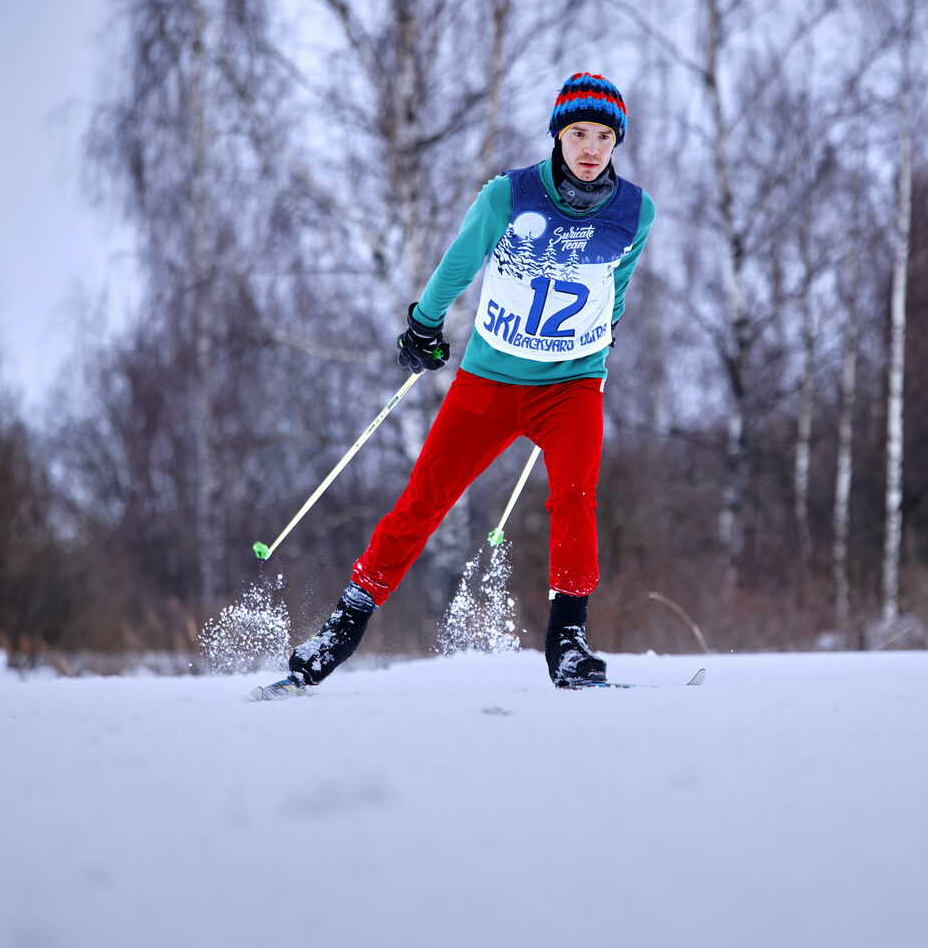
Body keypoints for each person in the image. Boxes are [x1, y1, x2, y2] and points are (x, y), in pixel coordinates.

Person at [258, 73, 655, 695]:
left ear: (616, 142)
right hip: (491, 381)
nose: (591, 148)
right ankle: (342, 626)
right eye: (579, 132)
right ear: (558, 134)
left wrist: (605, 333)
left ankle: (568, 641)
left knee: (575, 495)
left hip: (573, 384)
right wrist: (424, 323)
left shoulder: (636, 210)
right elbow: (458, 264)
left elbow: (619, 283)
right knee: (424, 501)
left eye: (605, 136)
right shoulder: (510, 196)